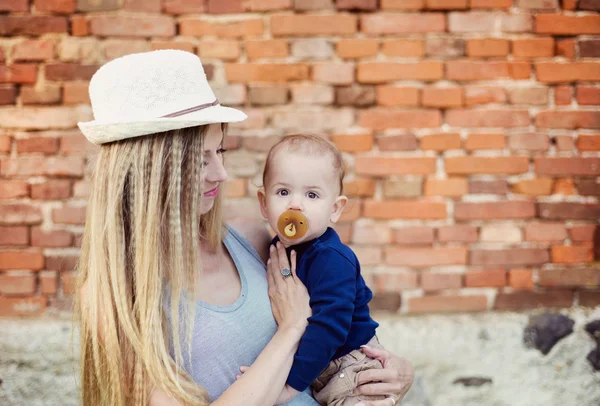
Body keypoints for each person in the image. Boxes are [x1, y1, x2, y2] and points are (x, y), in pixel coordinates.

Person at [75, 49, 414, 406]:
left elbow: (339, 318)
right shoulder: (111, 297)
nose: (220, 173)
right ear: (148, 168)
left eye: (220, 151)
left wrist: (397, 371)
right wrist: (291, 328)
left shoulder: (253, 241)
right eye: (199, 159)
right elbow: (300, 328)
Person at [247, 134, 390, 405]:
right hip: (319, 364)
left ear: (335, 209)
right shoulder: (279, 248)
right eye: (283, 192)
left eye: (312, 194)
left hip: (352, 368)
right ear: (264, 204)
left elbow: (329, 328)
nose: (295, 204)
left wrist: (289, 386)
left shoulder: (331, 259)